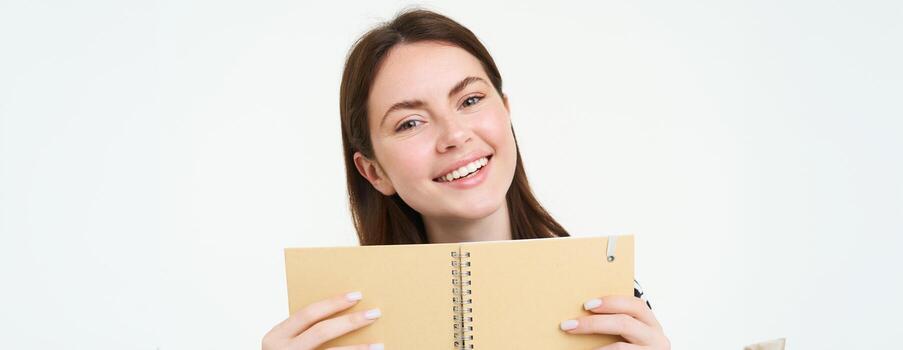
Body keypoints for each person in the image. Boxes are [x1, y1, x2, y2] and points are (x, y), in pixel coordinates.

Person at [263, 8, 671, 350]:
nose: (455, 135)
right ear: (374, 171)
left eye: (470, 100)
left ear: (506, 112)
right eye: (410, 123)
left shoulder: (611, 299)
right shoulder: (335, 327)